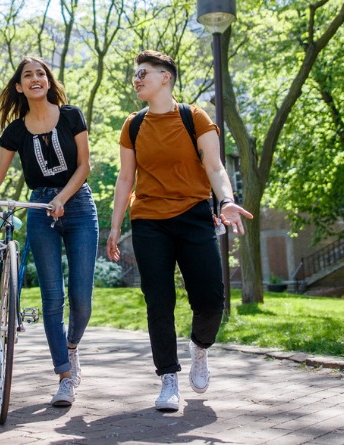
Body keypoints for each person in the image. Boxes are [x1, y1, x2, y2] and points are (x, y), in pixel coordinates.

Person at [105, 50, 253, 412]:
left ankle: (200, 348)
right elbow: (126, 179)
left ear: (165, 77)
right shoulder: (133, 125)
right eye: (135, 74)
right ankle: (168, 378)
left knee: (210, 300)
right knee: (159, 301)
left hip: (193, 215)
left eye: (143, 73)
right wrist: (114, 226)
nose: (136, 79)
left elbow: (215, 166)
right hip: (149, 221)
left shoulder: (194, 118)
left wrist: (227, 201)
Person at [0, 56, 97, 408]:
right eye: (27, 76)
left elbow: (84, 167)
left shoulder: (71, 116)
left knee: (82, 298)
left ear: (48, 82)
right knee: (52, 299)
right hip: (39, 210)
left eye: (41, 74)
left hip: (77, 205)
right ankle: (64, 376)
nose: (35, 78)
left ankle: (72, 347)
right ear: (19, 87)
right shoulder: (15, 131)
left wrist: (62, 198)